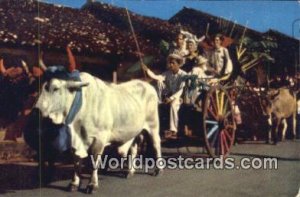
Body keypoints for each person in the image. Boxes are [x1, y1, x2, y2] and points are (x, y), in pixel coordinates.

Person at [142, 53, 187, 139]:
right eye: (170, 63)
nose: (171, 65)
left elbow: (181, 90)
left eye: (173, 63)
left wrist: (171, 98)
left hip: (179, 97)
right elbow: (157, 77)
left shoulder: (183, 75)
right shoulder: (167, 73)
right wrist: (147, 70)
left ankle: (173, 130)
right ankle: (159, 101)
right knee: (159, 81)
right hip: (168, 95)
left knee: (173, 104)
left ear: (178, 64)